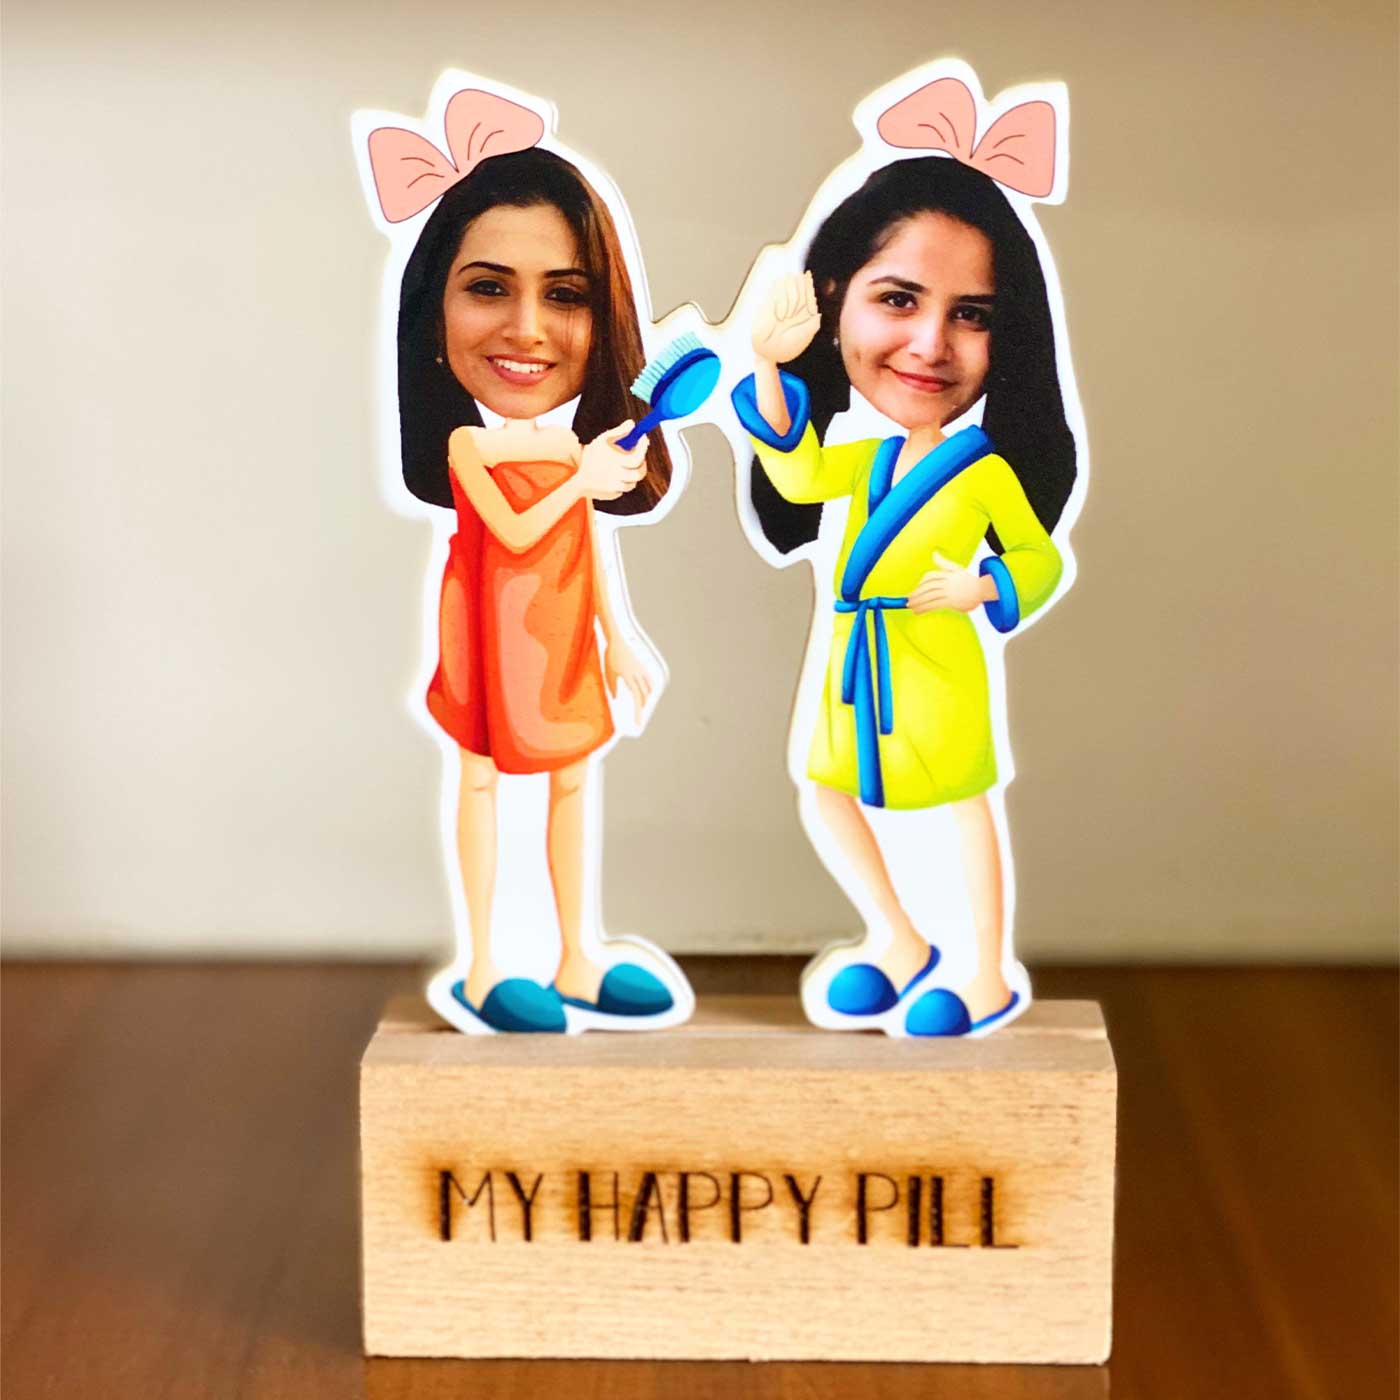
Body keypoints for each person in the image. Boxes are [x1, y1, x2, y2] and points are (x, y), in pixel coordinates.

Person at [731, 151, 1078, 1036]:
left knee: (964, 806)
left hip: (937, 661)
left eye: (972, 315)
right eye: (899, 300)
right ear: (835, 299)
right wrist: (766, 362)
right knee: (828, 791)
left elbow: (1040, 560)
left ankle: (986, 973)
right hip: (856, 662)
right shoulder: (869, 457)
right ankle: (899, 939)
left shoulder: (984, 471)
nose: (931, 344)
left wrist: (983, 584)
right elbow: (800, 473)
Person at [374, 94, 689, 1033]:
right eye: (487, 288)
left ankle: (577, 956)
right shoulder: (471, 448)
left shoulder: (569, 448)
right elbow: (514, 534)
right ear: (432, 311)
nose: (526, 328)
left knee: (573, 780)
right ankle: (482, 967)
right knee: (479, 777)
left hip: (560, 632)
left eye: (566, 294)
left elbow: (587, 538)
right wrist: (580, 478)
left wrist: (619, 635)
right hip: (485, 628)